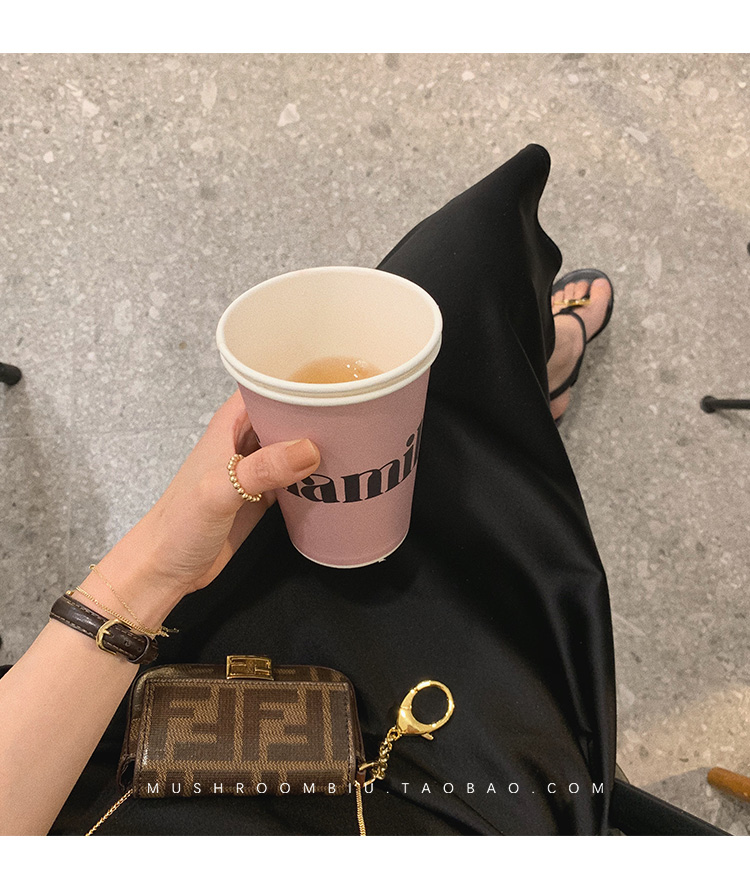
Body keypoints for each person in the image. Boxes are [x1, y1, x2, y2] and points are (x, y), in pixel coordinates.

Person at [0, 144, 616, 836]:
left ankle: (542, 364)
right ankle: (548, 358)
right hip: (448, 774)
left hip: (104, 702)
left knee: (452, 283)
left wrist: (154, 568)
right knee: (470, 261)